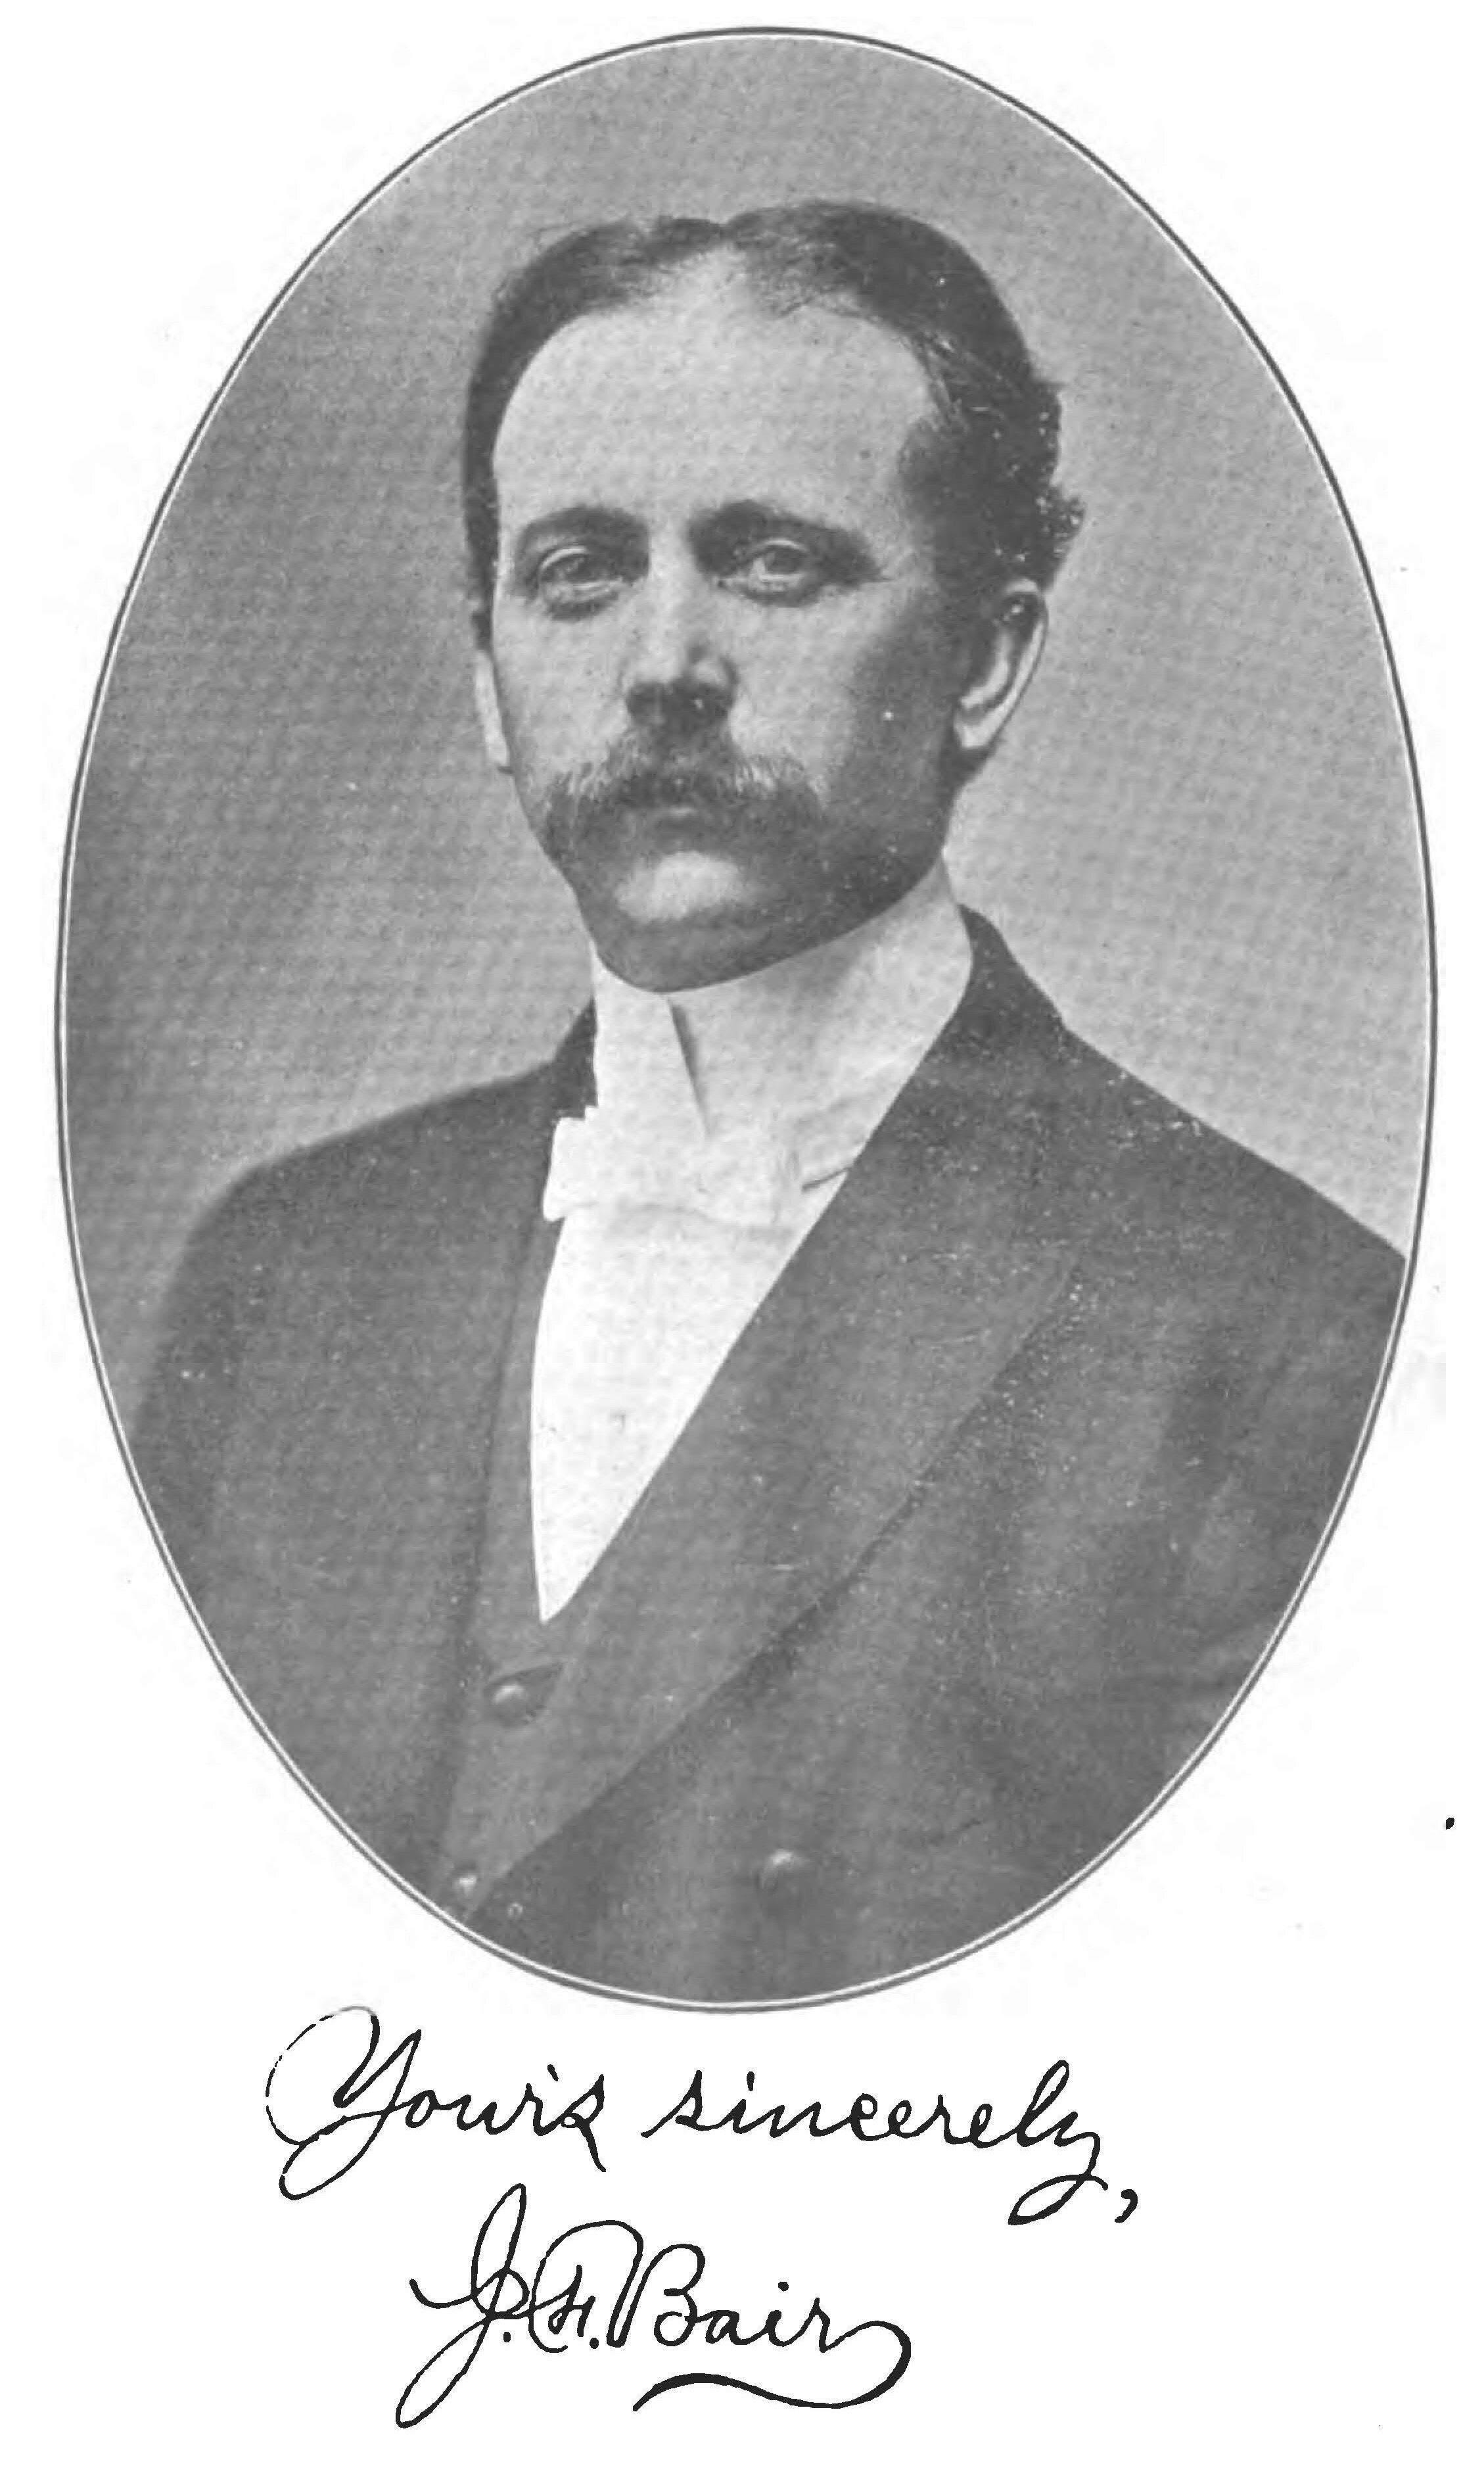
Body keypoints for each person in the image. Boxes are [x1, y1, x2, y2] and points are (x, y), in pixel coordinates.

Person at [132, 202, 1404, 2003]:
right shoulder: (281, 1277)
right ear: (488, 675)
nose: (665, 662)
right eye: (579, 570)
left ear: (982, 661)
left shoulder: (1281, 1348)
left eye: (773, 564)